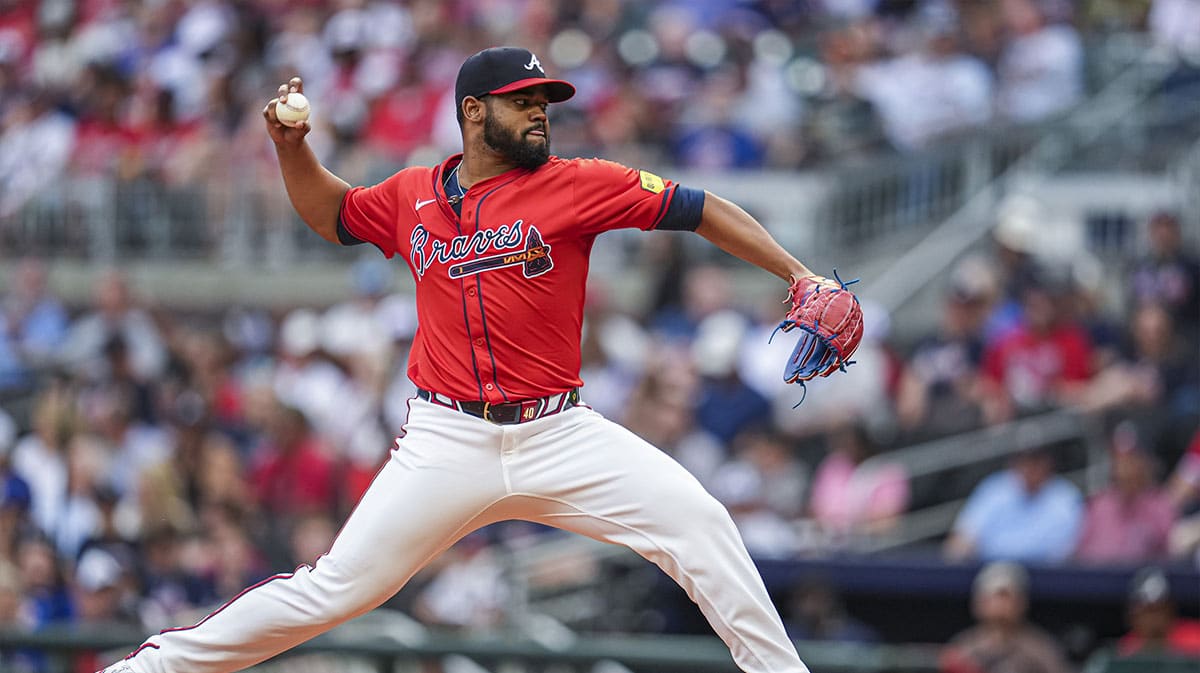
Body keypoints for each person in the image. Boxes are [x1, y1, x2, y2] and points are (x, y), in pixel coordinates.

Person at [96, 46, 835, 673]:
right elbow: (333, 213)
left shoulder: (575, 183)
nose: (542, 111)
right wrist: (293, 150)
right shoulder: (412, 195)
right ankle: (153, 667)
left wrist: (798, 273)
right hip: (448, 439)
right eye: (525, 101)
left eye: (546, 100)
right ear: (474, 112)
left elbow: (699, 206)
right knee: (335, 589)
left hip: (559, 432)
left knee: (699, 522)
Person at [944, 443, 1083, 563]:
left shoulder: (1066, 497)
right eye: (1025, 461)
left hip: (1049, 580)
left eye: (1037, 461)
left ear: (1048, 463)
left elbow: (1068, 553)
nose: (1030, 468)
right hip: (993, 574)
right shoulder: (995, 488)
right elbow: (961, 540)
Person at [939, 561, 1073, 673]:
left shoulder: (1041, 649)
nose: (1002, 605)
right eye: (995, 597)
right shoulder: (963, 648)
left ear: (1022, 603)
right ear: (978, 603)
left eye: (1007, 597)